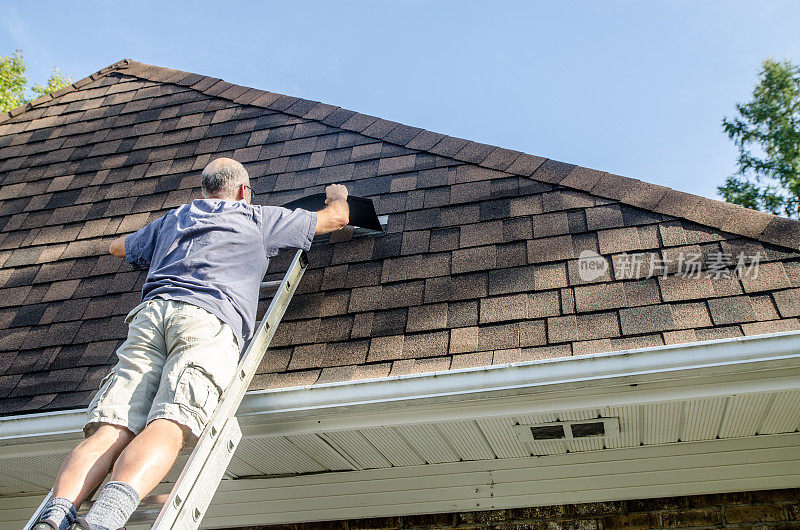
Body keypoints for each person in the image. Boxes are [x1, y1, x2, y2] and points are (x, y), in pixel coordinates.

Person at [32, 158, 350, 530]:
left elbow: (118, 247)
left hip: (150, 318)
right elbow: (336, 219)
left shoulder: (175, 219)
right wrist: (337, 196)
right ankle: (103, 521)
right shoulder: (259, 218)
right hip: (206, 319)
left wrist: (156, 243)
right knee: (171, 421)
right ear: (244, 192)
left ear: (205, 190)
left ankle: (54, 519)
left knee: (113, 427)